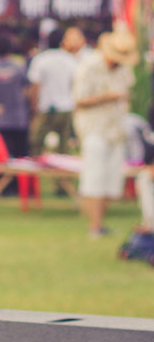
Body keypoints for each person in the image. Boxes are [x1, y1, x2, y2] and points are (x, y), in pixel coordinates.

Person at [72, 29, 136, 238]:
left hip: (116, 128)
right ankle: (95, 224)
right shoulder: (89, 66)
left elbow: (128, 91)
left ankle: (100, 222)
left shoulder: (124, 68)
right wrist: (106, 97)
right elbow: (79, 100)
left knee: (112, 177)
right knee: (95, 175)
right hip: (94, 127)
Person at [27, 27, 83, 155]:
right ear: (62, 42)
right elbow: (75, 85)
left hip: (45, 107)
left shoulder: (40, 59)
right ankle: (62, 175)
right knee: (63, 148)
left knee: (36, 144)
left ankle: (36, 173)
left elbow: (35, 87)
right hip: (66, 107)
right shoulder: (70, 60)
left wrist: (33, 108)